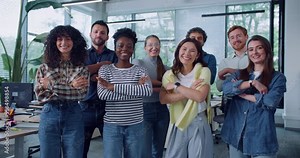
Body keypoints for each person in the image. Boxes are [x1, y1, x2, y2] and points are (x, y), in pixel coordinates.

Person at [221, 35, 287, 158]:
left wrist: (241, 94)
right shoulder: (239, 74)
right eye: (250, 49)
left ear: (267, 51)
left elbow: (270, 102)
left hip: (261, 137)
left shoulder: (278, 78)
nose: (254, 52)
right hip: (236, 134)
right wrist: (252, 83)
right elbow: (226, 89)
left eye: (259, 48)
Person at [97, 28, 153, 158]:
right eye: (120, 45)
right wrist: (134, 90)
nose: (124, 49)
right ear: (115, 47)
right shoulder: (105, 70)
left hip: (136, 125)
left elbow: (147, 90)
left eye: (129, 46)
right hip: (112, 126)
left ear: (133, 49)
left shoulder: (140, 70)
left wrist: (113, 87)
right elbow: (103, 95)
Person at [34, 25, 89, 158]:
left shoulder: (81, 68)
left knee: (74, 155)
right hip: (49, 114)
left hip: (73, 114)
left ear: (75, 42)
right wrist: (71, 85)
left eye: (68, 39)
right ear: (54, 42)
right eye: (60, 39)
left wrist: (51, 85)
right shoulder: (44, 68)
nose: (64, 43)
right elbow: (40, 95)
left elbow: (80, 94)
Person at [160, 38, 213, 158]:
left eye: (192, 51)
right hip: (178, 122)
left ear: (198, 55)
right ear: (178, 51)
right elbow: (163, 99)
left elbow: (199, 97)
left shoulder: (204, 71)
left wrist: (176, 86)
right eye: (184, 49)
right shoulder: (170, 74)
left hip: (197, 120)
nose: (187, 54)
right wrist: (190, 90)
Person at [80, 20, 117, 158]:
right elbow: (80, 73)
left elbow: (114, 78)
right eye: (96, 31)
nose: (98, 35)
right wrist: (102, 66)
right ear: (90, 34)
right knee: (81, 149)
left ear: (107, 36)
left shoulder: (114, 56)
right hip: (85, 109)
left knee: (111, 149)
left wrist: (92, 75)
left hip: (107, 109)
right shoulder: (82, 55)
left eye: (102, 32)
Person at [132, 35, 170, 158]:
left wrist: (151, 86)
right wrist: (163, 85)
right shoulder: (138, 63)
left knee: (158, 149)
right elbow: (142, 84)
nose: (154, 47)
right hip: (143, 110)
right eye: (150, 45)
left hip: (162, 109)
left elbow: (171, 88)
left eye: (157, 44)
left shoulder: (165, 68)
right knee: (144, 149)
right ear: (145, 47)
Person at [216, 25, 249, 92]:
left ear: (246, 37)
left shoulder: (254, 58)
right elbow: (219, 88)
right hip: (229, 101)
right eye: (232, 38)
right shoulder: (225, 62)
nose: (236, 40)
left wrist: (229, 72)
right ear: (229, 41)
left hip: (251, 100)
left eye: (239, 36)